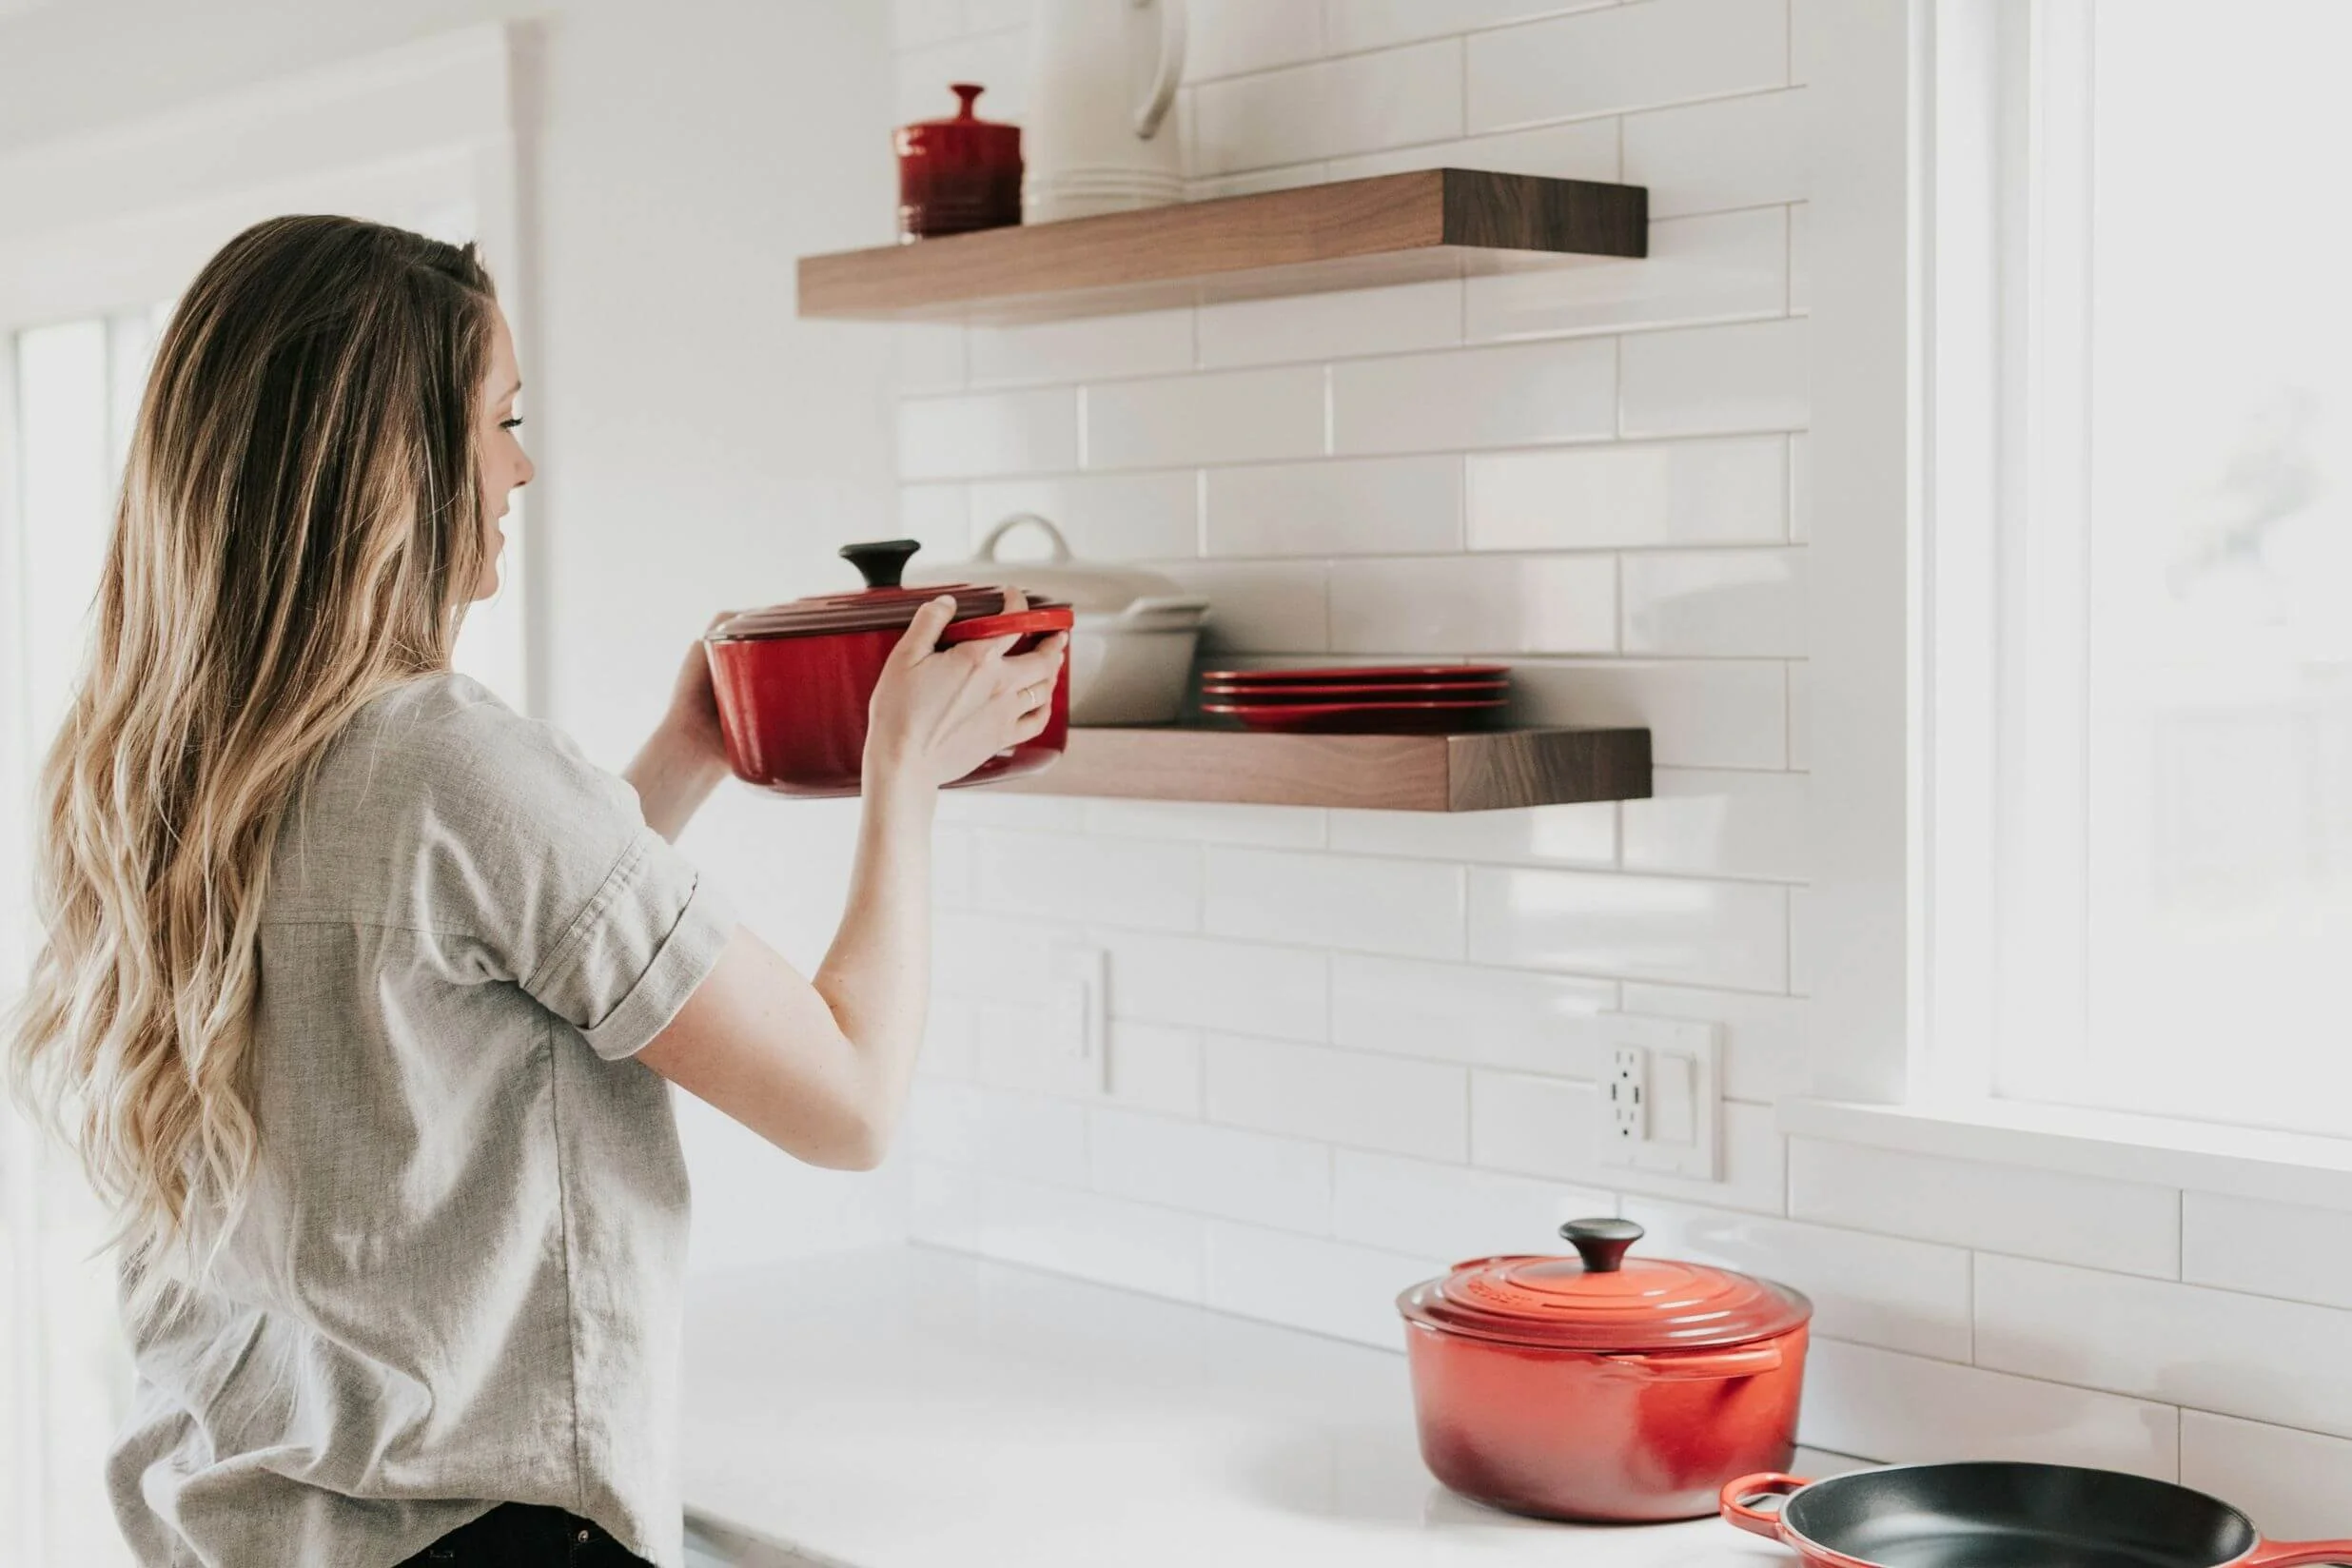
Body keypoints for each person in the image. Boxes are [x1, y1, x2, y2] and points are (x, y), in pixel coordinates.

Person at [6, 214, 1066, 1568]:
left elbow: (471, 949)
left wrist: (685, 755)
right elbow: (850, 1100)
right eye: (501, 419)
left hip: (224, 1525)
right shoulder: (453, 763)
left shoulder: (155, 774)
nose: (524, 464)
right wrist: (903, 768)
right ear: (393, 465)